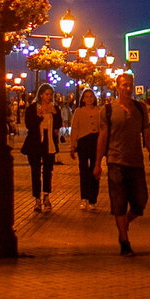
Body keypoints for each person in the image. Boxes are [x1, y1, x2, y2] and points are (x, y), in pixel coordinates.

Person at [93, 72, 150, 256]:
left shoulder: (140, 108)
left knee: (140, 202)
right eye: (123, 85)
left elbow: (147, 134)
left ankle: (124, 224)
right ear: (117, 87)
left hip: (136, 162)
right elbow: (103, 136)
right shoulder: (107, 110)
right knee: (119, 204)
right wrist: (98, 163)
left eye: (129, 84)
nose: (127, 88)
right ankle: (124, 241)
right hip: (116, 162)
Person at [21, 84, 63, 213]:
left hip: (49, 141)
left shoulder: (54, 108)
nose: (48, 97)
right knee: (35, 171)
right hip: (35, 142)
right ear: (40, 95)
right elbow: (29, 125)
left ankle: (46, 196)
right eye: (46, 94)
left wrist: (55, 114)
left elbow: (58, 125)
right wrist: (38, 117)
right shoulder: (32, 108)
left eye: (50, 94)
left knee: (47, 170)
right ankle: (36, 199)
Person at [68, 88, 102, 210]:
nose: (89, 99)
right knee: (83, 170)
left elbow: (103, 130)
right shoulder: (78, 112)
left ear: (94, 98)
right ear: (82, 99)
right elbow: (75, 129)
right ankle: (84, 198)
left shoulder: (100, 111)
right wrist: (72, 146)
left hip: (95, 142)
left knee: (95, 170)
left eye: (91, 96)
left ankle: (93, 199)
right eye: (86, 96)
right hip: (83, 142)